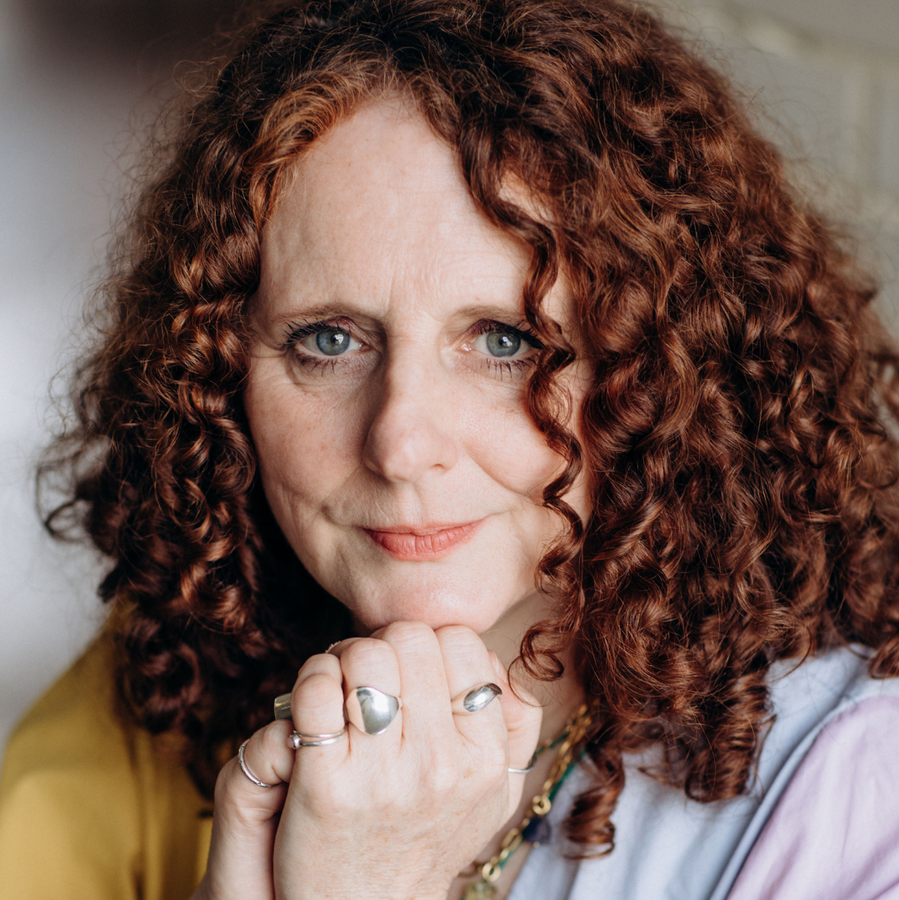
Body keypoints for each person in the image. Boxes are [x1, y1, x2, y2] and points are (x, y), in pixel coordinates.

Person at [3, 0, 899, 898]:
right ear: (219, 372)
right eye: (327, 340)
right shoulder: (166, 676)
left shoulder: (854, 793)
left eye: (506, 342)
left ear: (666, 370)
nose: (399, 444)